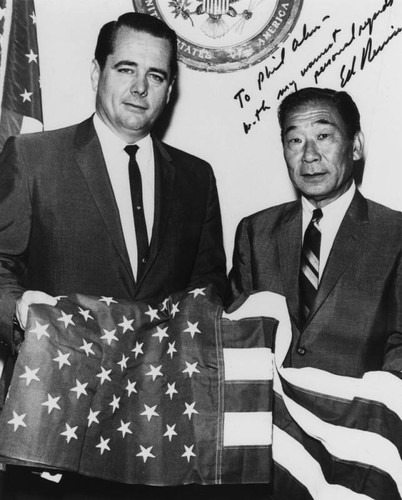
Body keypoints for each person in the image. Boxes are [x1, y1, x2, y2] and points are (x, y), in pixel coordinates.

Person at [0, 11, 227, 499]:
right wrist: (20, 311)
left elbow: (208, 291)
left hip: (158, 438)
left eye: (156, 75)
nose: (140, 87)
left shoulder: (196, 178)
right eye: (126, 69)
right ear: (96, 72)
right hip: (54, 427)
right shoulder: (33, 157)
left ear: (170, 90)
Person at [230, 87, 402, 377]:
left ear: (356, 146)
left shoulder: (394, 234)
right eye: (295, 140)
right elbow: (237, 335)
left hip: (359, 416)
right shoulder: (255, 232)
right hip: (270, 415)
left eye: (323, 136)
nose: (309, 155)